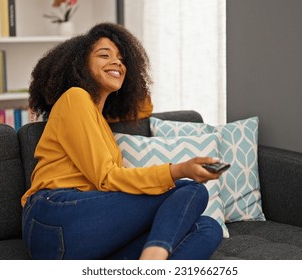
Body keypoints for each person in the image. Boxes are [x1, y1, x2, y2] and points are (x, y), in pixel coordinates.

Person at [21, 22, 224, 260]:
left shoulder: (100, 121)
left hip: (86, 233)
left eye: (122, 58)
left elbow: (143, 107)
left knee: (208, 227)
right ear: (79, 64)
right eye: (104, 55)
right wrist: (179, 170)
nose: (117, 62)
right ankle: (153, 261)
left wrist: (129, 86)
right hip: (54, 215)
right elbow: (107, 178)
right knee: (191, 189)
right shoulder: (74, 98)